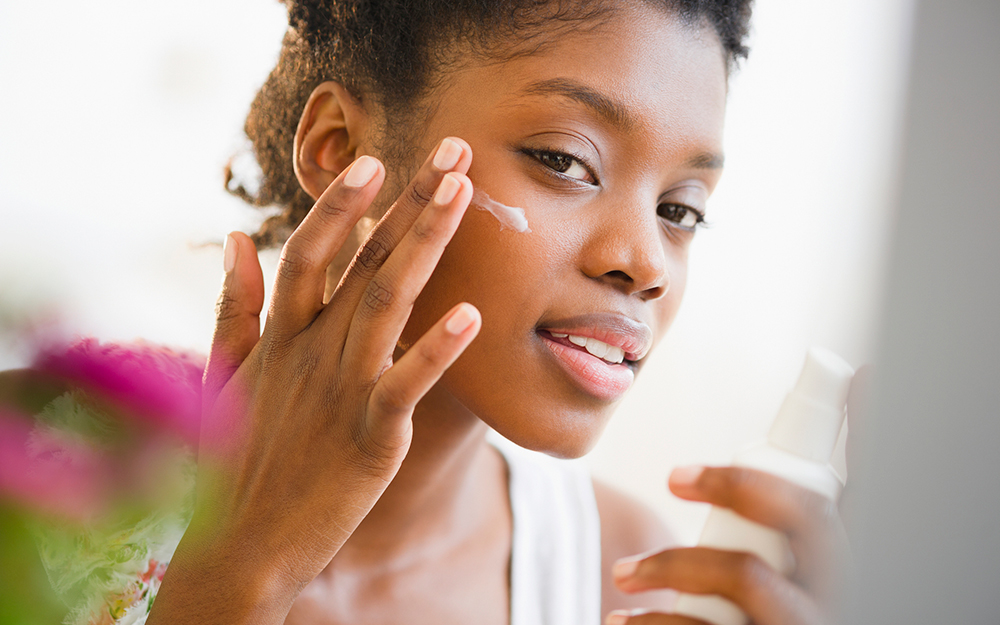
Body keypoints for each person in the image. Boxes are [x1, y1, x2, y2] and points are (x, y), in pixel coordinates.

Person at [5, 1, 851, 624]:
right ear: (340, 147)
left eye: (683, 209)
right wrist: (242, 572)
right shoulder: (43, 462)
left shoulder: (622, 576)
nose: (644, 261)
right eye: (565, 159)